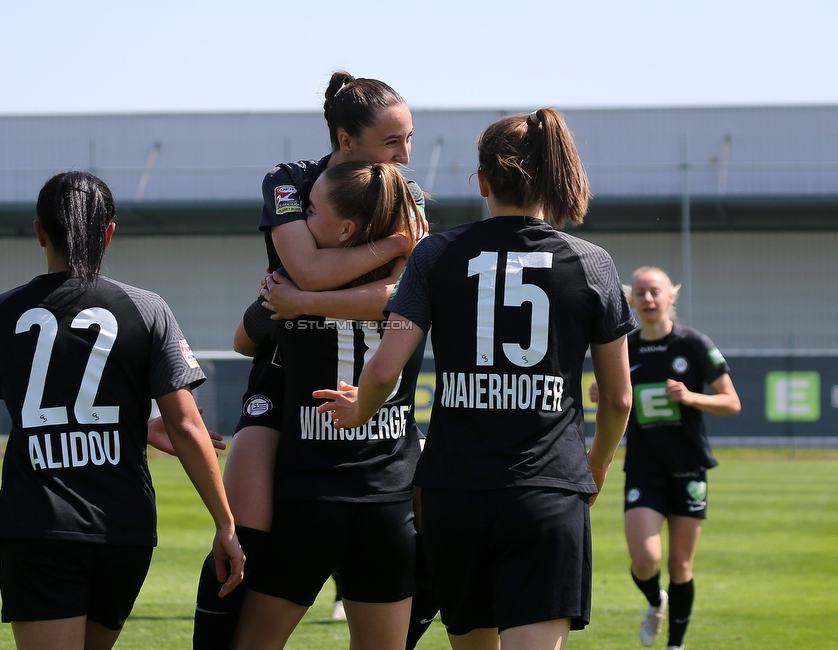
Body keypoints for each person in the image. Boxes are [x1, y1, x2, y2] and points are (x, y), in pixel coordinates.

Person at [316, 108, 636, 650]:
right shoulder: (591, 262)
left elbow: (387, 368)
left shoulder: (436, 254)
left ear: (483, 180)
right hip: (546, 491)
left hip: (453, 496)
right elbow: (619, 399)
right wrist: (596, 466)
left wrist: (362, 408)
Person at [189, 70, 437, 650]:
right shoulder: (292, 181)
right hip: (284, 373)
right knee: (246, 533)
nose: (406, 155)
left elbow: (399, 299)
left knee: (423, 533)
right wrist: (395, 247)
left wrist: (301, 303)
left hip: (361, 389)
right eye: (392, 141)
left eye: (408, 139)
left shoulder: (406, 192)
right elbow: (303, 271)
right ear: (347, 143)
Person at [0, 171, 244, 650]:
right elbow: (187, 425)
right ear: (109, 233)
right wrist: (226, 525)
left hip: (38, 524)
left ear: (40, 232)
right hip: (121, 528)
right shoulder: (146, 308)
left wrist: (137, 427)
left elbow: (42, 410)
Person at [230, 160, 423, 650]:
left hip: (310, 499)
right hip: (388, 499)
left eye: (310, 211)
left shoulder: (289, 289)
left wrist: (294, 302)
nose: (299, 223)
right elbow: (401, 292)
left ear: (345, 229)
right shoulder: (412, 293)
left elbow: (242, 340)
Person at [590, 266, 741, 650]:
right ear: (632, 300)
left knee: (680, 565)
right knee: (644, 559)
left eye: (655, 291)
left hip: (689, 468)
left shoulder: (694, 343)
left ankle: (675, 644)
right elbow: (610, 394)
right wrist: (601, 392)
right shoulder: (625, 346)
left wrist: (692, 397)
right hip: (643, 467)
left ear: (670, 297)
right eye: (640, 293)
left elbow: (731, 401)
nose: (648, 299)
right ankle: (657, 602)